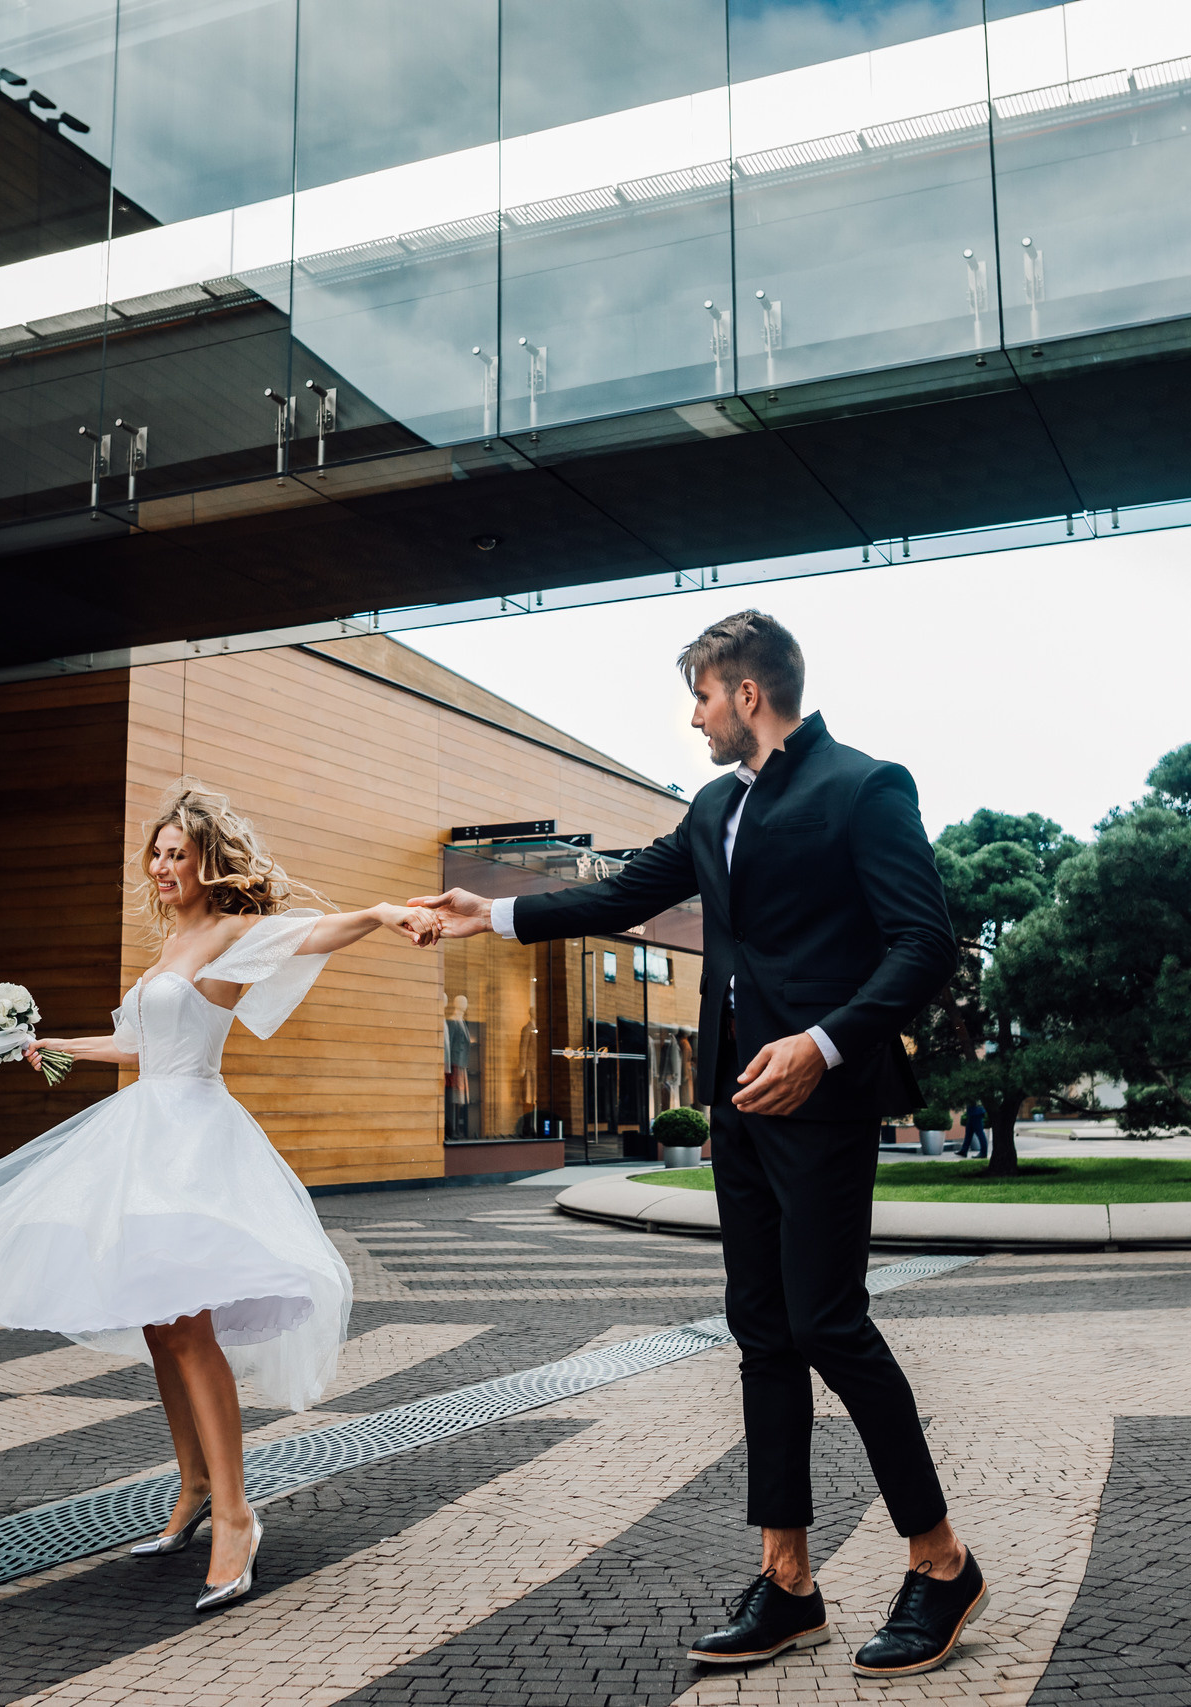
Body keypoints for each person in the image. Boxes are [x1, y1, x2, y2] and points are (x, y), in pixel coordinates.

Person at [413, 610, 983, 1680]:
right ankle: (786, 1580)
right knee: (762, 1331)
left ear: (748, 694)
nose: (695, 716)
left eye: (703, 696)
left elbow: (924, 943)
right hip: (735, 1100)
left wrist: (822, 1043)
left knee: (829, 1323)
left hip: (819, 1096)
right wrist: (483, 916)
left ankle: (940, 1562)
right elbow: (626, 891)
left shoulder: (865, 787)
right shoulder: (715, 803)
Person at [0, 780, 434, 1612]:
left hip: (194, 1142)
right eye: (155, 852)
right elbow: (136, 1043)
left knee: (189, 1328)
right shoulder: (165, 949)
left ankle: (235, 1515)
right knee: (160, 1322)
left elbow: (310, 932)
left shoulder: (229, 932)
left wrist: (379, 910)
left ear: (206, 862)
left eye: (176, 853)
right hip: (142, 1137)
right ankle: (191, 1486)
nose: (161, 865)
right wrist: (47, 1044)